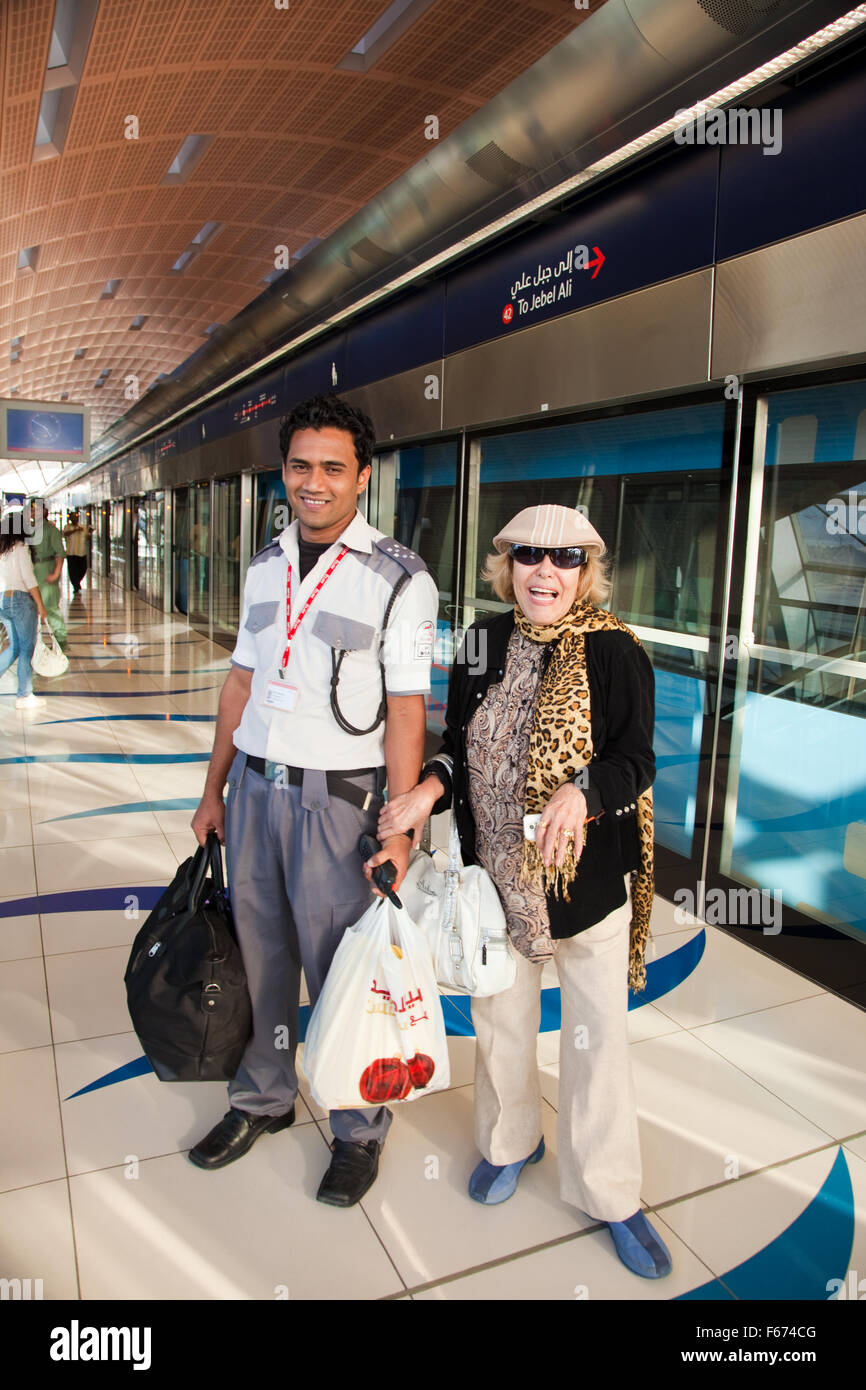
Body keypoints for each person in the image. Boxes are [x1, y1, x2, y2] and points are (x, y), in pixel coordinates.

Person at [378, 503, 672, 1279]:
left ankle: (609, 1193)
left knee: (596, 1040)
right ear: (505, 565)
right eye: (530, 556)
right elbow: (455, 748)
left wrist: (584, 791)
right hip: (497, 880)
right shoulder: (482, 640)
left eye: (566, 559)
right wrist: (425, 793)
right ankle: (511, 1143)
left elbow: (636, 759)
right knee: (503, 1023)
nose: (546, 571)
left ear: (586, 573)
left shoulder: (615, 653)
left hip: (584, 885)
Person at [188, 393, 438, 1207]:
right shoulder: (263, 565)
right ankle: (262, 1096)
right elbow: (241, 681)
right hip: (259, 794)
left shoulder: (398, 577)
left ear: (362, 476)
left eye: (334, 467)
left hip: (341, 806)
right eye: (301, 465)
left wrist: (400, 832)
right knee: (265, 961)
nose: (315, 482)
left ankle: (359, 1127)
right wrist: (214, 788)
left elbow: (407, 712)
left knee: (344, 970)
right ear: (283, 471)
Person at [0, 506, 49, 709]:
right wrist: (40, 604)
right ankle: (24, 695)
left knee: (15, 647)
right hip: (19, 600)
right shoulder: (20, 548)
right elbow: (29, 579)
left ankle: (24, 693)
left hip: (3, 601)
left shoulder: (1, 550)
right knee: (27, 647)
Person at [29, 498, 66, 647]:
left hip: (46, 570)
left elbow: (60, 554)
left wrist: (56, 573)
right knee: (31, 606)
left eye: (36, 509)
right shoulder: (29, 529)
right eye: (31, 510)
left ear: (44, 511)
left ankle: (61, 639)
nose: (33, 512)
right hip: (32, 570)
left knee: (50, 606)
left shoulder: (51, 530)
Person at [62, 511, 91, 593]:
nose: (74, 518)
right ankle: (76, 585)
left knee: (83, 569)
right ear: (70, 518)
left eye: (76, 517)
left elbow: (87, 537)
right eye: (73, 517)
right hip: (71, 553)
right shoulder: (67, 527)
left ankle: (77, 582)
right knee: (72, 571)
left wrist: (89, 533)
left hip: (81, 552)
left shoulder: (83, 527)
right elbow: (65, 534)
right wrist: (75, 530)